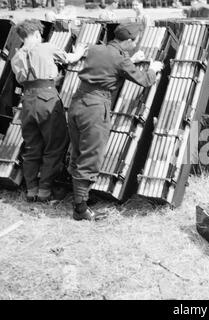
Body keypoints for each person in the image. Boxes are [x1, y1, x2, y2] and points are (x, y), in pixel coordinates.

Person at [68, 23, 163, 221]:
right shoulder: (120, 59)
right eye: (134, 43)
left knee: (77, 152)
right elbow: (145, 81)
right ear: (127, 41)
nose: (134, 46)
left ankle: (80, 198)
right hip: (95, 108)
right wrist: (153, 69)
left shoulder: (96, 49)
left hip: (77, 102)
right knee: (91, 156)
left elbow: (107, 65)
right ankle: (80, 210)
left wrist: (131, 60)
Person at [10, 19, 86, 202]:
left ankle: (31, 190)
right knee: (55, 144)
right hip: (48, 99)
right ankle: (44, 190)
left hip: (27, 102)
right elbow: (69, 59)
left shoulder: (16, 57)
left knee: (32, 146)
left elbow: (29, 79)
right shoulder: (47, 47)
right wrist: (80, 52)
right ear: (37, 33)